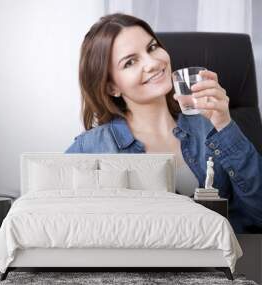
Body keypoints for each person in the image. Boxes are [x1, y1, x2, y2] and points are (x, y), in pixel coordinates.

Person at [65, 13, 262, 234]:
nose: (153, 63)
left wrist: (225, 126)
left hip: (217, 263)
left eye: (152, 48)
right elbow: (59, 224)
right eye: (130, 62)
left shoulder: (208, 125)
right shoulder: (91, 148)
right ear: (112, 87)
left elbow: (259, 213)